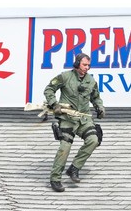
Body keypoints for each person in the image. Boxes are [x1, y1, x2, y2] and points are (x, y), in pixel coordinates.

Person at [44, 53, 105, 192]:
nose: (87, 68)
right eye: (84, 65)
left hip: (84, 118)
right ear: (77, 64)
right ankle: (55, 178)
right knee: (65, 147)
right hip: (67, 118)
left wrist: (100, 107)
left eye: (89, 65)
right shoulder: (65, 77)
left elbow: (95, 97)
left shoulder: (91, 81)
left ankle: (74, 168)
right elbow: (49, 89)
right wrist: (54, 104)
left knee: (93, 140)